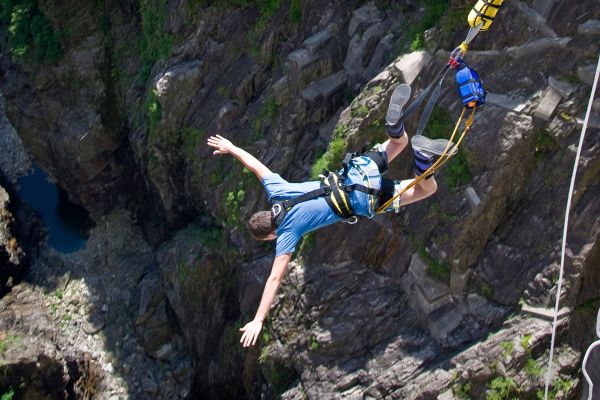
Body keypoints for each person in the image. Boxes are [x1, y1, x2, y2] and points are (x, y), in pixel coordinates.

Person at [206, 84, 456, 347]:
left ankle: (423, 160)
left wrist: (258, 319)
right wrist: (231, 148)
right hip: (356, 171)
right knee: (399, 142)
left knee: (426, 189)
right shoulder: (277, 191)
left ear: (270, 234)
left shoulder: (287, 234)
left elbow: (274, 278)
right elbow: (255, 165)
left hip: (364, 196)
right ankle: (396, 127)